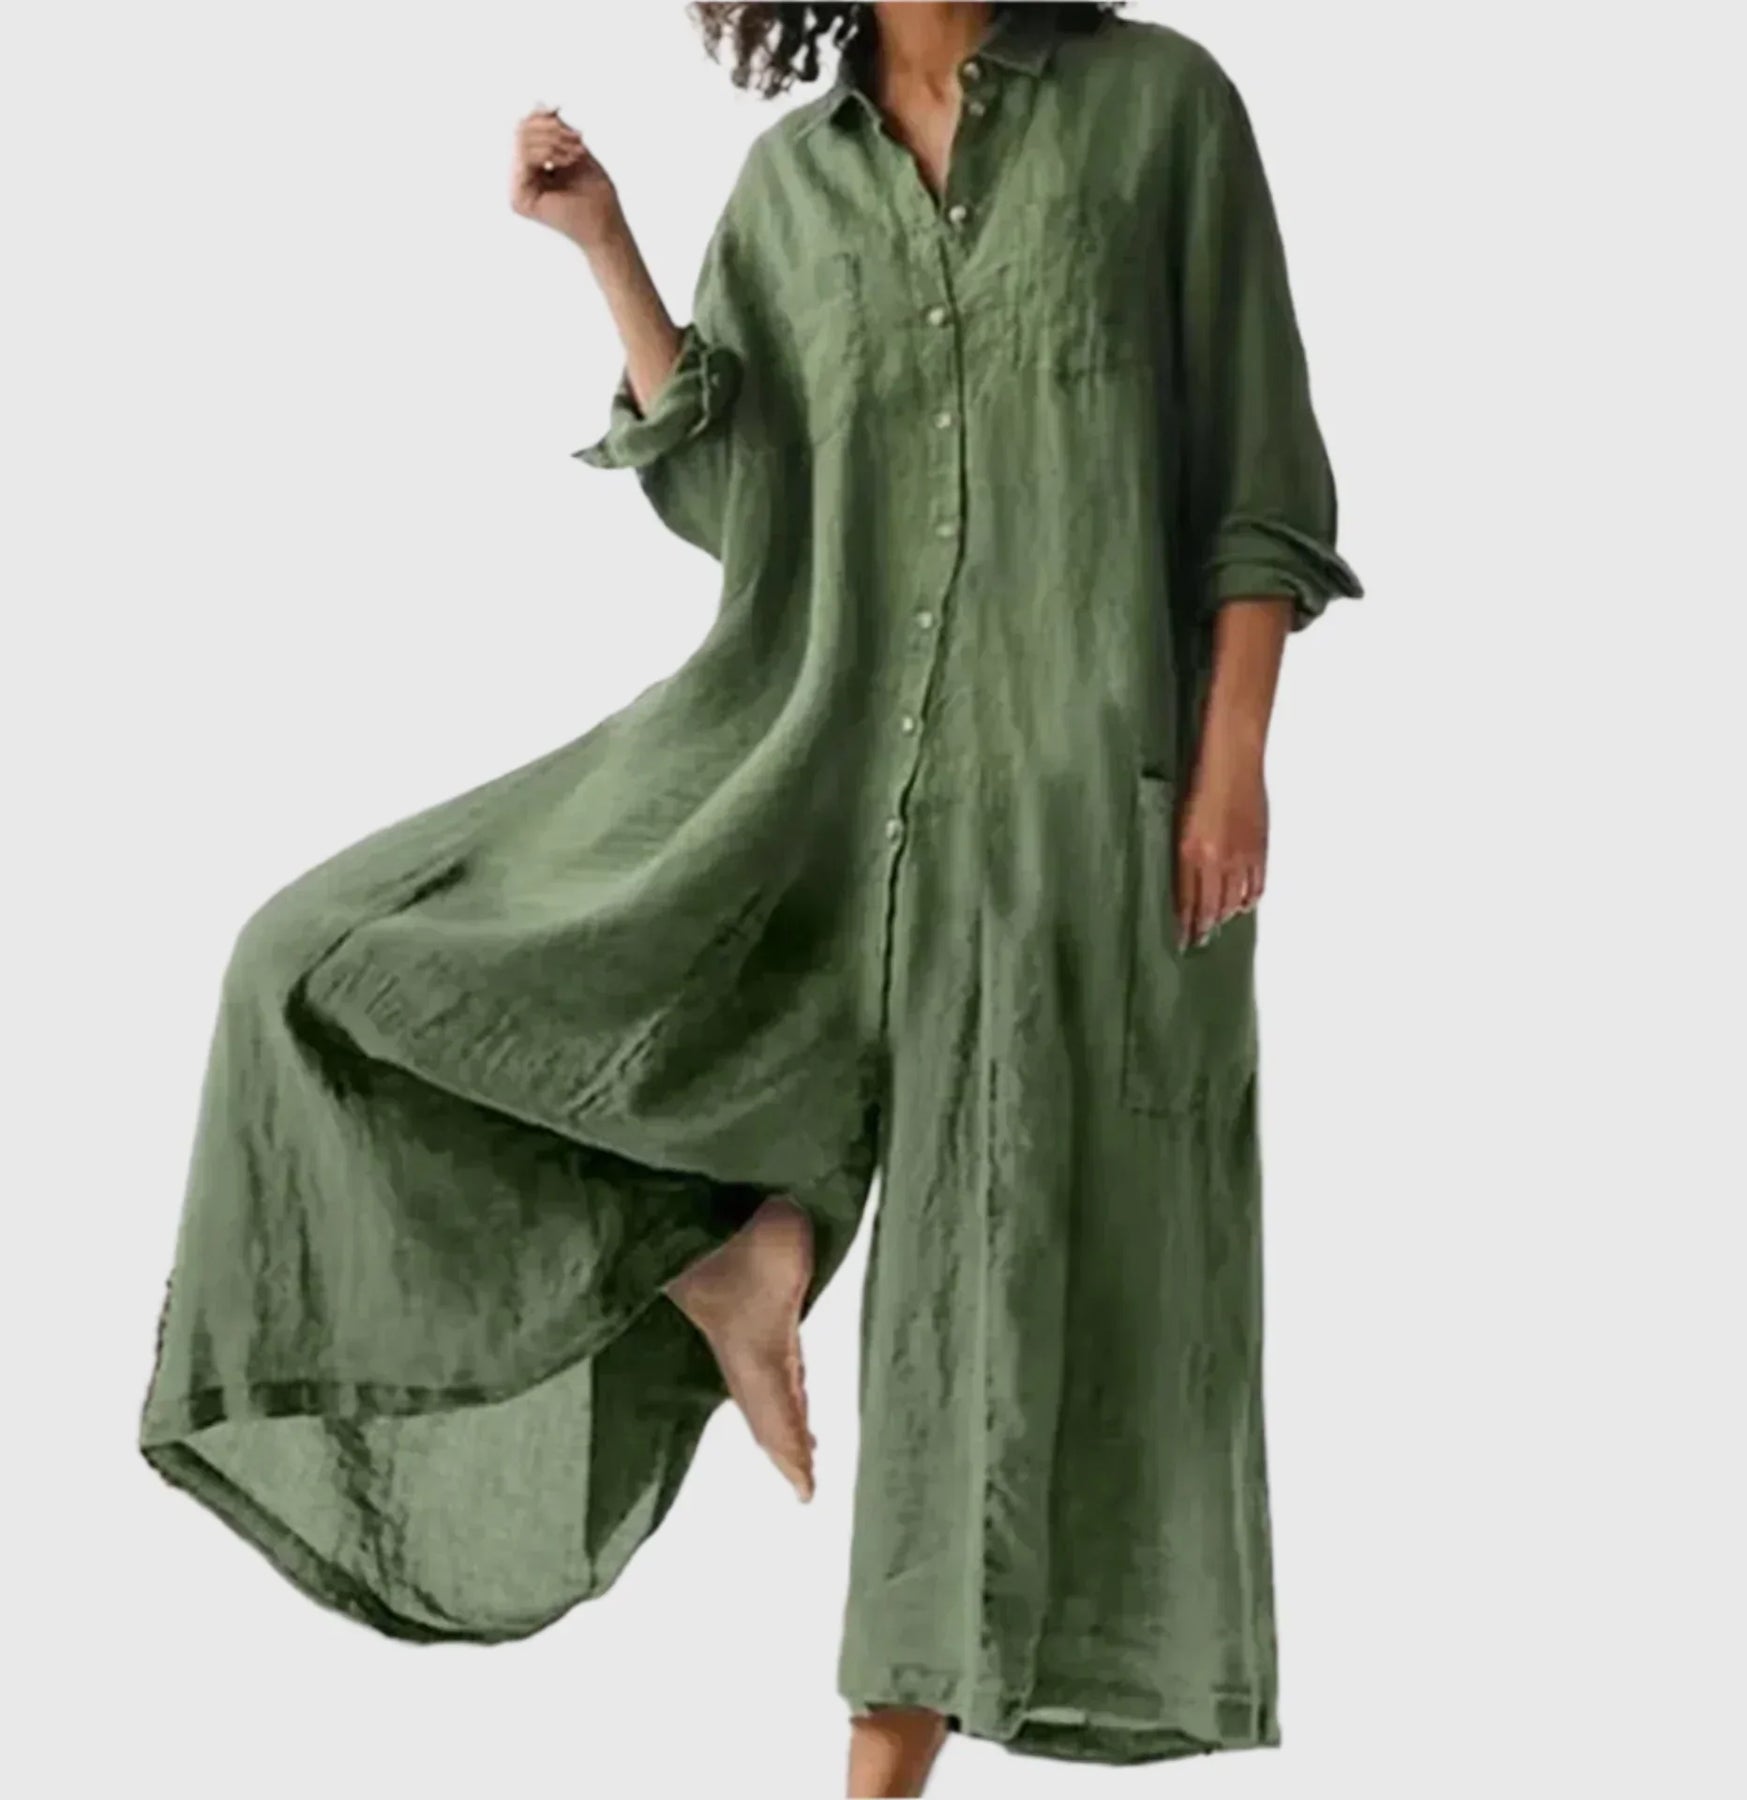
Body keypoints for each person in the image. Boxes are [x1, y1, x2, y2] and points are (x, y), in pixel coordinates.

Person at [139, 3, 1361, 1794]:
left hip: (1076, 812)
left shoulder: (1161, 110)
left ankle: (874, 1728)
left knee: (998, 1299)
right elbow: (740, 497)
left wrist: (1233, 760)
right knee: (313, 964)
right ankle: (731, 1247)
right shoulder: (793, 187)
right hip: (811, 778)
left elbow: (1254, 475)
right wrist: (604, 245)